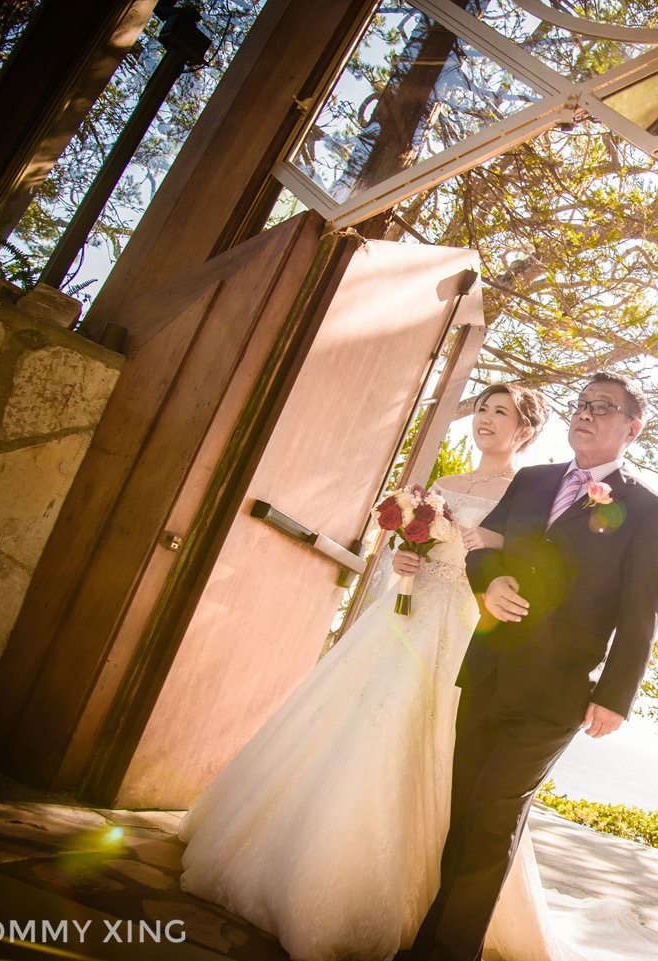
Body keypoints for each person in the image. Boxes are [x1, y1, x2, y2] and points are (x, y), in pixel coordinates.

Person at [178, 383, 564, 961]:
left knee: (432, 747)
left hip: (462, 631)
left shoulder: (527, 496)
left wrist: (474, 558)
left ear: (526, 430)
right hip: (404, 619)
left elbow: (511, 566)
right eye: (482, 408)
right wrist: (402, 557)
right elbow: (410, 551)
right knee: (351, 723)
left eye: (500, 413)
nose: (485, 419)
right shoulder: (446, 485)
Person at [406, 372, 658, 961]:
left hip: (557, 691)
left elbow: (641, 612)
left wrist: (614, 695)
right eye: (582, 404)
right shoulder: (531, 480)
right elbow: (482, 548)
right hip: (487, 671)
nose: (586, 414)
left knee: (495, 817)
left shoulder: (648, 509)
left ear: (633, 428)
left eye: (603, 408)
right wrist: (490, 583)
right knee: (462, 811)